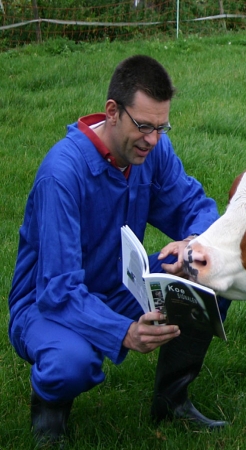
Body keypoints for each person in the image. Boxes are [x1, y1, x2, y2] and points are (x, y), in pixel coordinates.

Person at [8, 54, 232, 445]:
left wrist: (192, 244)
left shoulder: (152, 150)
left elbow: (193, 206)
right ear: (113, 112)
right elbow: (57, 290)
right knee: (72, 361)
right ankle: (50, 410)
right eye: (144, 126)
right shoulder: (62, 174)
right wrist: (124, 331)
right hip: (47, 302)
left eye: (162, 127)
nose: (153, 139)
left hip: (123, 283)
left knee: (210, 274)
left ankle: (172, 401)